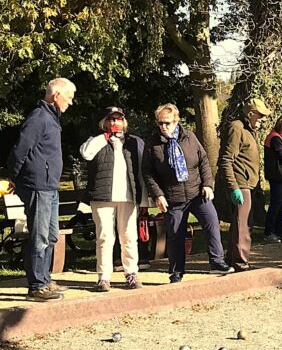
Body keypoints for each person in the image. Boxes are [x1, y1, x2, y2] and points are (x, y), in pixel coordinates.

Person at [142, 103, 233, 282]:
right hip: (173, 197)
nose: (163, 127)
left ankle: (217, 262)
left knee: (211, 222)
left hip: (197, 193)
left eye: (167, 123)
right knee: (176, 234)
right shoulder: (153, 144)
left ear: (176, 121)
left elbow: (203, 161)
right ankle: (176, 271)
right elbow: (148, 173)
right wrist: (158, 194)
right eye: (160, 123)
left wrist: (208, 184)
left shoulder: (189, 137)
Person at [7, 78, 76, 300]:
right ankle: (37, 285)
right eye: (69, 97)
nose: (70, 102)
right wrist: (14, 177)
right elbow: (20, 149)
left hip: (50, 186)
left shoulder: (51, 118)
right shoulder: (39, 118)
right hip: (38, 186)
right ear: (56, 96)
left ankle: (45, 279)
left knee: (51, 235)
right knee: (40, 237)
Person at [80, 107, 146, 291]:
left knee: (129, 236)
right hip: (102, 197)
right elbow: (86, 153)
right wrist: (105, 137)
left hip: (128, 197)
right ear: (105, 122)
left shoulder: (134, 142)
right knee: (104, 237)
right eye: (111, 119)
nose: (115, 123)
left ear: (124, 122)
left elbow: (142, 171)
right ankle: (104, 277)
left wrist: (144, 200)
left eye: (119, 119)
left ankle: (131, 272)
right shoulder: (97, 141)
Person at [218, 99, 271, 272]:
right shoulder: (237, 128)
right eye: (261, 115)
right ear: (251, 113)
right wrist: (233, 187)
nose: (263, 119)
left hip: (249, 183)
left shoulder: (249, 130)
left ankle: (233, 258)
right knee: (243, 225)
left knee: (244, 223)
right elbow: (226, 160)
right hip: (241, 183)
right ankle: (240, 261)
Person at [264, 115, 282, 243]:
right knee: (276, 203)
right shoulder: (275, 138)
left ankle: (280, 229)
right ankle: (269, 231)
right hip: (277, 175)